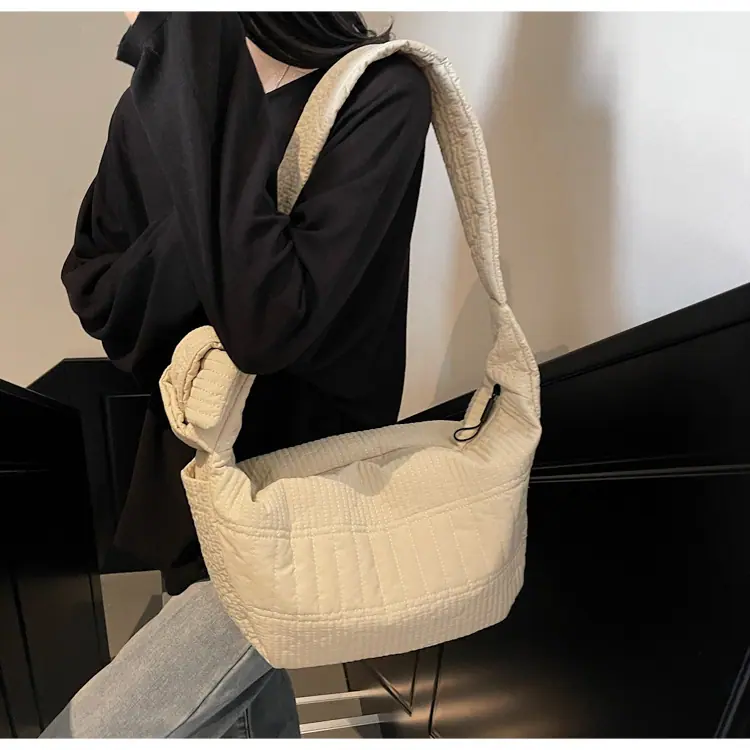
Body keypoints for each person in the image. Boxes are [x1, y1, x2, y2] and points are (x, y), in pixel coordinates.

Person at [42, 11, 432, 738]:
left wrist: (196, 60)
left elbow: (267, 322)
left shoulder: (378, 89)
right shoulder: (150, 103)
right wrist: (224, 239)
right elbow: (94, 291)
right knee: (246, 715)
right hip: (190, 462)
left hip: (303, 483)